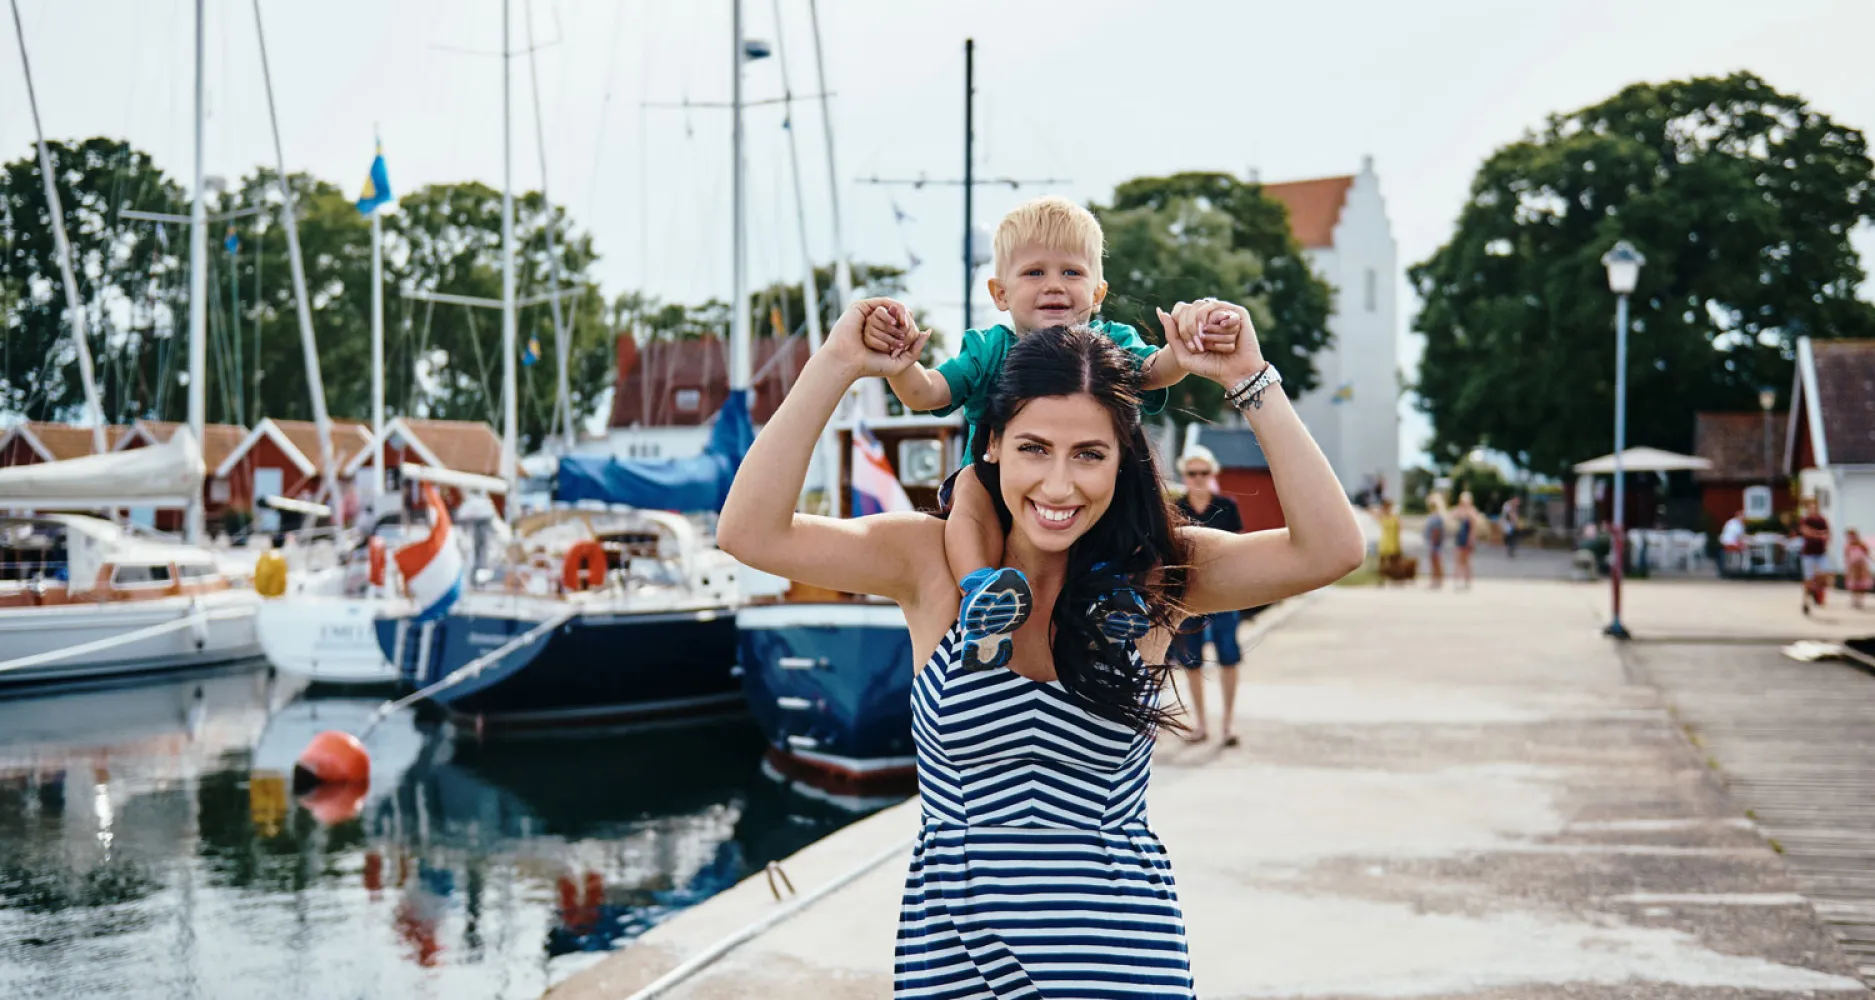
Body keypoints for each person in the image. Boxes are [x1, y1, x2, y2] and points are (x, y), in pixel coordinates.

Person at [718, 299, 1362, 998]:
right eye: (1034, 449)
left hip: (1123, 964)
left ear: (1122, 460)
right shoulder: (928, 563)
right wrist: (838, 362)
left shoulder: (1157, 575)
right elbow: (751, 532)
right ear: (990, 441)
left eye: (1089, 454)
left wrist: (1248, 375)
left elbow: (1330, 548)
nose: (1059, 485)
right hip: (959, 968)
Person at [863, 195, 1240, 671]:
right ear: (1000, 293)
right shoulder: (989, 349)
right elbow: (929, 393)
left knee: (1137, 494)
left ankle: (1119, 594)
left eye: (1072, 273)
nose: (1055, 286)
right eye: (1035, 273)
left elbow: (1151, 371)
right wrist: (901, 364)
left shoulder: (1111, 345)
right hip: (997, 485)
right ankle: (983, 592)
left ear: (1099, 292)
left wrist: (1184, 350)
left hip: (1088, 493)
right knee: (967, 486)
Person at [1170, 446, 1246, 745]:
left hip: (1226, 594)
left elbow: (1239, 549)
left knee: (1229, 655)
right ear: (1185, 476)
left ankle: (1228, 724)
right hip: (1189, 597)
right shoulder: (1176, 509)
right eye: (1192, 473)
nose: (1198, 478)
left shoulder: (1228, 506)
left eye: (1204, 473)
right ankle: (1201, 723)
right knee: (1191, 661)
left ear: (1213, 474)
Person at [1798, 496, 1831, 614]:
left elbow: (1828, 533)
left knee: (1826, 573)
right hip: (1809, 553)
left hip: (1821, 552)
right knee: (1808, 578)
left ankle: (1816, 590)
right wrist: (1819, 534)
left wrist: (1824, 538)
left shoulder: (1822, 520)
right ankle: (1806, 601)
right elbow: (1806, 532)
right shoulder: (1805, 519)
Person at [1452, 490, 1480, 590]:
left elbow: (1474, 528)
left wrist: (1471, 540)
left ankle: (1467, 580)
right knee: (1458, 560)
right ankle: (1457, 580)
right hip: (1459, 539)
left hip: (1466, 540)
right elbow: (1451, 518)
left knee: (1466, 561)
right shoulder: (1459, 511)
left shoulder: (1471, 512)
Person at [1424, 492, 1448, 588]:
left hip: (1435, 543)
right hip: (1433, 542)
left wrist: (1433, 542)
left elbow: (1436, 531)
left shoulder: (1436, 517)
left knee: (1436, 561)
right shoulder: (1435, 515)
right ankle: (1436, 579)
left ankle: (1437, 579)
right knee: (1435, 561)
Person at [1843, 528, 1870, 610]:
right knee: (1853, 583)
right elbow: (1846, 556)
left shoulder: (1861, 544)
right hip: (1852, 567)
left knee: (1862, 583)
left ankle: (1860, 599)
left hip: (1861, 566)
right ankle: (1854, 599)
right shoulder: (1848, 546)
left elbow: (1867, 553)